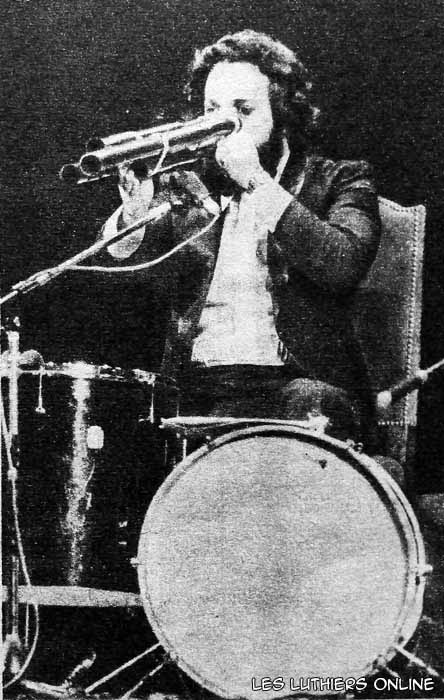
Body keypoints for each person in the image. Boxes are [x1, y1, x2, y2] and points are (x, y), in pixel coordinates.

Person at [101, 29, 381, 446]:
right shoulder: (186, 187)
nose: (224, 126)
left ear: (282, 114)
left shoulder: (340, 179)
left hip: (293, 388)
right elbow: (124, 278)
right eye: (212, 110)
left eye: (243, 111)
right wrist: (135, 212)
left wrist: (255, 180)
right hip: (198, 388)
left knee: (308, 400)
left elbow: (342, 265)